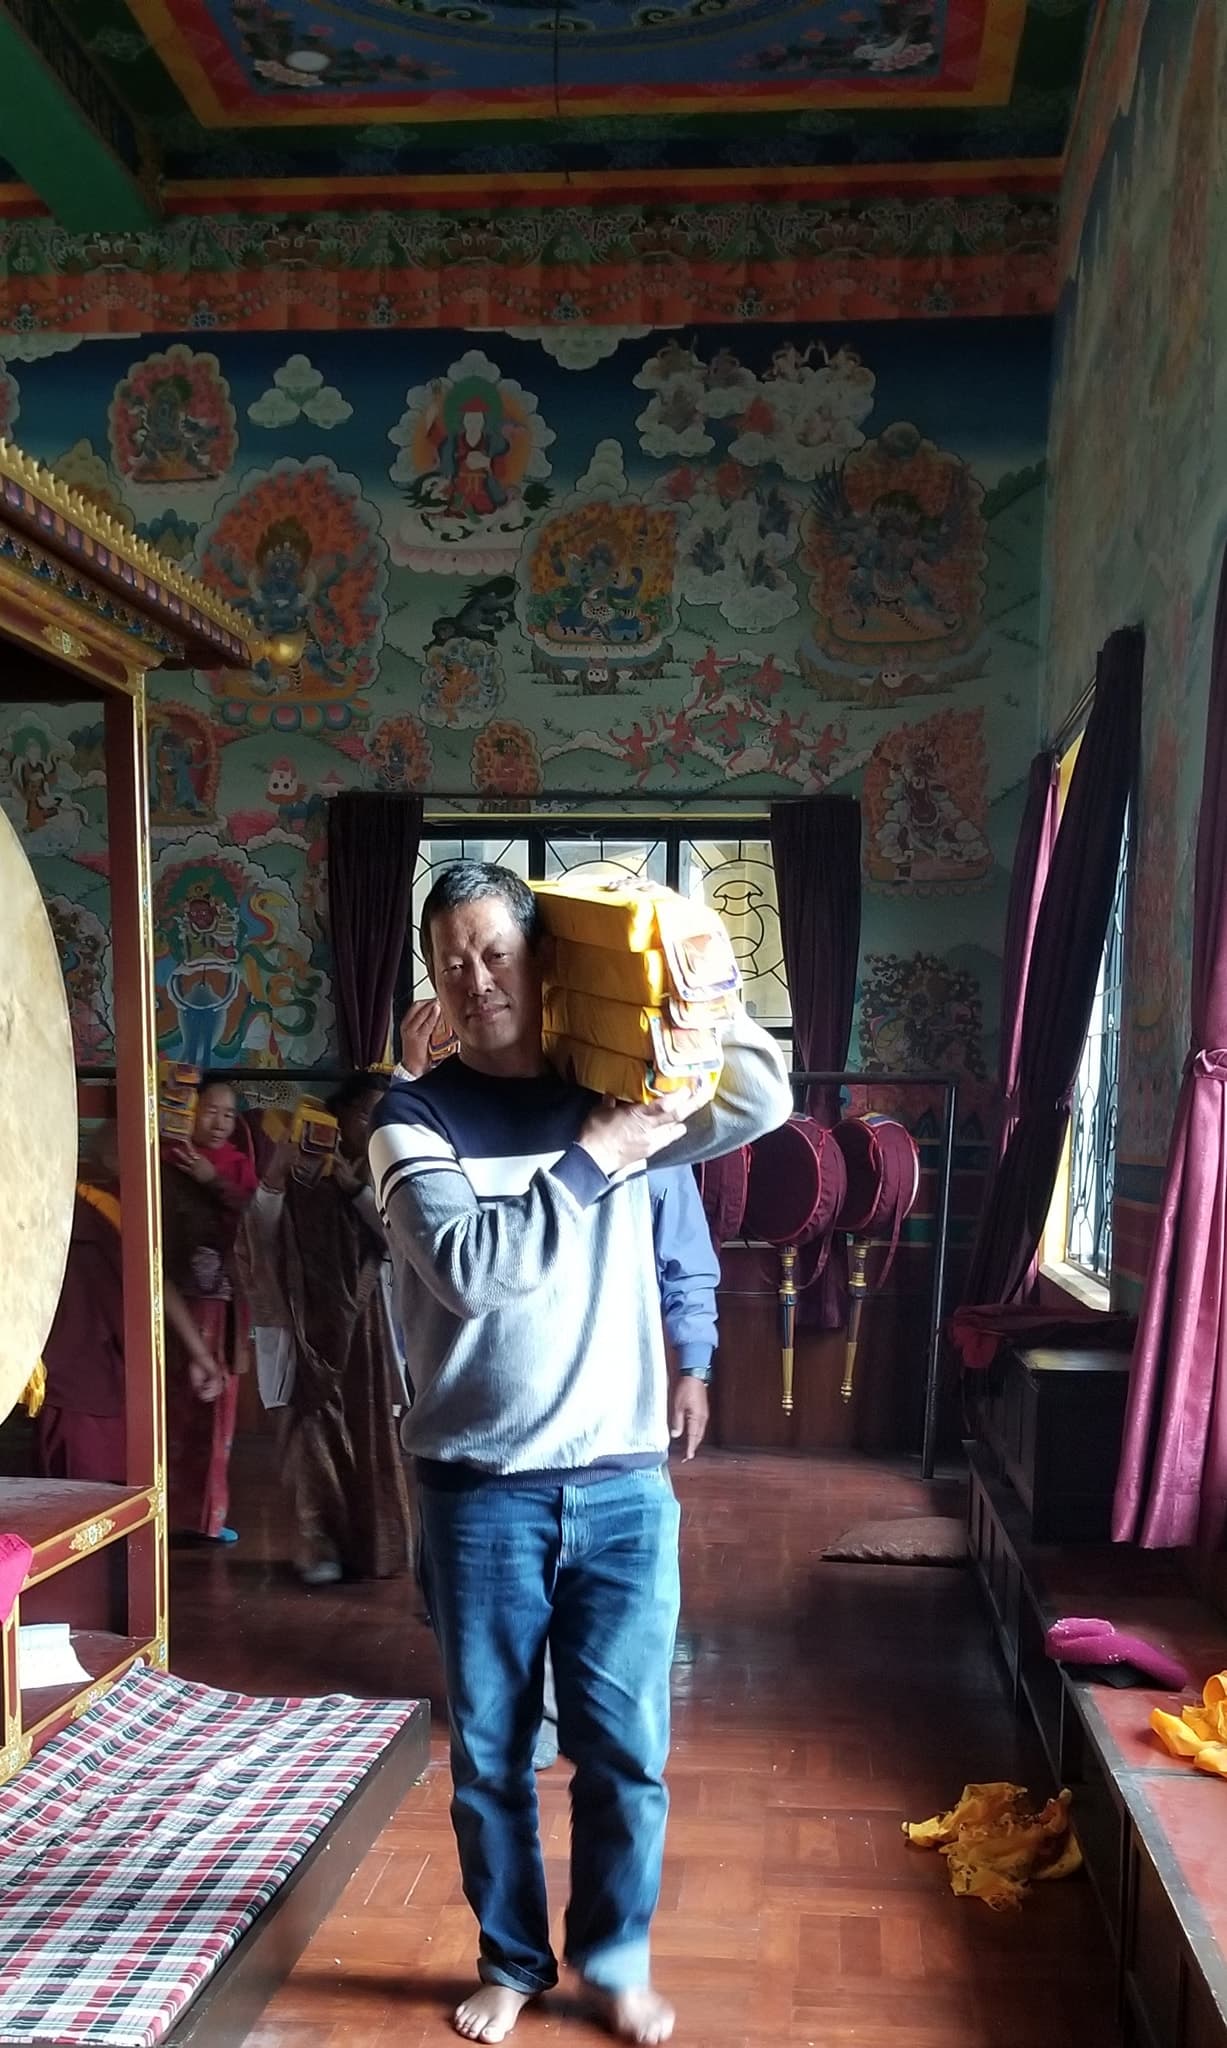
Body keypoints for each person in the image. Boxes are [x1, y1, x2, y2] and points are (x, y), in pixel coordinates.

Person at [368, 861, 791, 2046]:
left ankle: (614, 1957)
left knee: (627, 1753)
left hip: (619, 1490)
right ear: (433, 976)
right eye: (452, 957)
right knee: (493, 1756)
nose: (476, 976)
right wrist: (596, 1155)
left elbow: (760, 1098)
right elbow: (471, 1271)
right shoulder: (413, 1118)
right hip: (478, 1496)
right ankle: (514, 1959)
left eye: (498, 950)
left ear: (543, 960)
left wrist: (689, 968)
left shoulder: (614, 1084)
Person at [246, 1073, 414, 1586]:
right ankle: (318, 1540)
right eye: (364, 1115)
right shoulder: (297, 1172)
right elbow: (258, 1238)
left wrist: (356, 1187)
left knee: (370, 1435)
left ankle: (373, 1545)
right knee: (308, 1435)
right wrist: (277, 1177)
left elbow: (400, 1241)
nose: (373, 1126)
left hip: (365, 1330)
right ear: (334, 1121)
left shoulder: (385, 1174)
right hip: (305, 1328)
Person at [38, 1121, 223, 1485]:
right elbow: (158, 1279)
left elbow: (155, 1277)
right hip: (83, 1372)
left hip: (101, 1371)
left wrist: (199, 1354)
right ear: (109, 1157)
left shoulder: (118, 1208)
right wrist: (200, 1354)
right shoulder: (89, 1207)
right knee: (85, 1486)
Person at [161, 1076, 257, 1543]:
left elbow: (257, 1221)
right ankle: (165, 1515)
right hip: (171, 1303)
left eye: (228, 1114)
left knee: (218, 1412)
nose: (220, 1123)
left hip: (223, 1308)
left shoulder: (237, 1167)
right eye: (210, 1110)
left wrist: (212, 1180)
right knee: (170, 1411)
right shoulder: (162, 1158)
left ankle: (207, 1518)